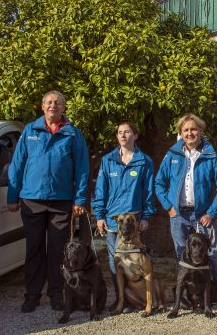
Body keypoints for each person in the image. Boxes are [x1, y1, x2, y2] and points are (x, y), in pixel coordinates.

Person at [7, 90, 89, 313]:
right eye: (49, 102)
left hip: (61, 202)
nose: (53, 106)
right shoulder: (30, 131)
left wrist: (80, 199)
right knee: (33, 249)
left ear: (64, 108)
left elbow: (82, 168)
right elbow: (17, 164)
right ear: (42, 106)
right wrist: (12, 197)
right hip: (32, 200)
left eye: (58, 103)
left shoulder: (73, 134)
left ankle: (56, 294)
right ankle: (32, 295)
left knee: (57, 251)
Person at [155, 114, 217, 311]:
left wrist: (211, 213)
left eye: (193, 129)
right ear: (180, 133)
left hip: (203, 216)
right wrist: (169, 207)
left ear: (201, 131)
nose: (190, 133)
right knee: (183, 256)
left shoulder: (210, 155)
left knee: (214, 254)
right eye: (186, 130)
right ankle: (189, 298)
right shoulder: (172, 155)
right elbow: (159, 183)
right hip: (178, 216)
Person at [92, 122, 156, 307]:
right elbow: (100, 190)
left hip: (133, 222)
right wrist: (100, 215)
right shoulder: (108, 160)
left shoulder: (145, 161)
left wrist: (145, 216)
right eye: (120, 132)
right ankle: (121, 299)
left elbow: (148, 192)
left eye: (127, 132)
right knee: (116, 262)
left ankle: (135, 298)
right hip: (113, 220)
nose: (122, 135)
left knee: (135, 261)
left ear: (135, 135)